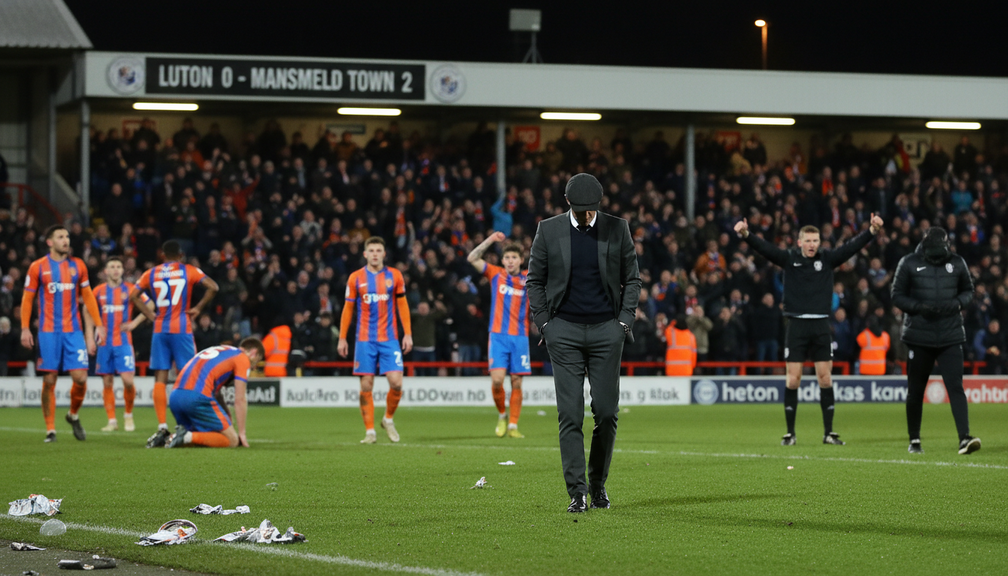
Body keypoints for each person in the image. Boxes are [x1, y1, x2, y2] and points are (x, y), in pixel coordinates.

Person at [527, 173, 641, 513]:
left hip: (607, 330)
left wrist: (623, 322)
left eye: (593, 208)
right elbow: (534, 281)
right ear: (568, 203)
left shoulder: (617, 228)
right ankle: (577, 492)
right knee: (570, 414)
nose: (588, 214)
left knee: (605, 412)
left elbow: (632, 279)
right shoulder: (548, 230)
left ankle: (598, 484)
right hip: (563, 332)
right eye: (582, 209)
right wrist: (546, 325)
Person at [734, 213, 883, 446]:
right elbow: (766, 249)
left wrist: (871, 231)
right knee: (793, 379)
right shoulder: (789, 258)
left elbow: (851, 248)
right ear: (800, 242)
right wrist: (746, 234)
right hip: (797, 325)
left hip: (821, 325)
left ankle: (829, 433)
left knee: (825, 378)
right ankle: (790, 434)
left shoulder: (827, 259)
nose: (812, 245)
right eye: (808, 241)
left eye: (815, 241)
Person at [891, 227, 980, 455]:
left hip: (950, 335)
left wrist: (957, 304)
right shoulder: (909, 263)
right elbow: (897, 295)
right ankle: (914, 440)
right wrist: (919, 307)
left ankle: (964, 438)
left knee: (956, 387)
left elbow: (969, 291)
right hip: (919, 336)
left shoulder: (957, 262)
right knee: (916, 390)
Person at [20, 225, 107, 442]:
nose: (65, 240)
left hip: (73, 331)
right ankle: (51, 430)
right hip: (48, 332)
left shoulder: (78, 265)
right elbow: (27, 299)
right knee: (49, 379)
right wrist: (24, 328)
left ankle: (72, 414)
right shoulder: (38, 267)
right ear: (50, 242)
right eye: (60, 237)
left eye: (67, 236)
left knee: (81, 378)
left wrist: (99, 324)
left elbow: (88, 296)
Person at [130, 240, 219, 448]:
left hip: (160, 329)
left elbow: (133, 295)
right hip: (181, 329)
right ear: (180, 255)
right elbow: (213, 287)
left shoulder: (151, 273)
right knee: (188, 377)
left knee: (160, 378)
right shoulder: (188, 270)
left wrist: (150, 315)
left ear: (163, 255)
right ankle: (187, 425)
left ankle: (162, 426)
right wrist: (198, 308)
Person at [338, 237, 413, 444]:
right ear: (365, 254)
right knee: (366, 385)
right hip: (364, 339)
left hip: (389, 338)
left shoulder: (394, 276)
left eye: (378, 250)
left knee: (396, 383)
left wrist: (408, 333)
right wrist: (342, 337)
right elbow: (348, 308)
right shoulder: (355, 278)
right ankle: (370, 432)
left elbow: (403, 305)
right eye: (371, 250)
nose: (375, 254)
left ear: (384, 254)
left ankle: (388, 419)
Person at [467, 231, 530, 439]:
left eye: (514, 257)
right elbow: (472, 258)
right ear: (502, 260)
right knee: (497, 380)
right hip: (498, 336)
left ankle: (513, 425)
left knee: (517, 382)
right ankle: (502, 415)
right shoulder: (496, 274)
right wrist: (491, 240)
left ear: (521, 260)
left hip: (520, 337)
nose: (510, 261)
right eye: (507, 257)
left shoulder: (529, 278)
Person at [165, 338, 265, 448]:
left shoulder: (223, 350)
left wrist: (226, 415)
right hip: (197, 397)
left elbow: (216, 393)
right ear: (254, 352)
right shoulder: (242, 358)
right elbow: (240, 399)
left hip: (175, 397)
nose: (254, 367)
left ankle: (167, 438)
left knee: (200, 441)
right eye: (256, 361)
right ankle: (186, 436)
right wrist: (242, 434)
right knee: (232, 440)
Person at [91, 258, 152, 432]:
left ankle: (128, 414)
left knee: (128, 381)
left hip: (123, 342)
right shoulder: (98, 291)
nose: (116, 269)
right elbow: (87, 309)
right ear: (106, 271)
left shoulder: (131, 289)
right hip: (104, 343)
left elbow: (150, 303)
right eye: (112, 267)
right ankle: (112, 421)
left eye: (118, 266)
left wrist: (134, 323)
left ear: (123, 270)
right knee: (107, 382)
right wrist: (94, 329)